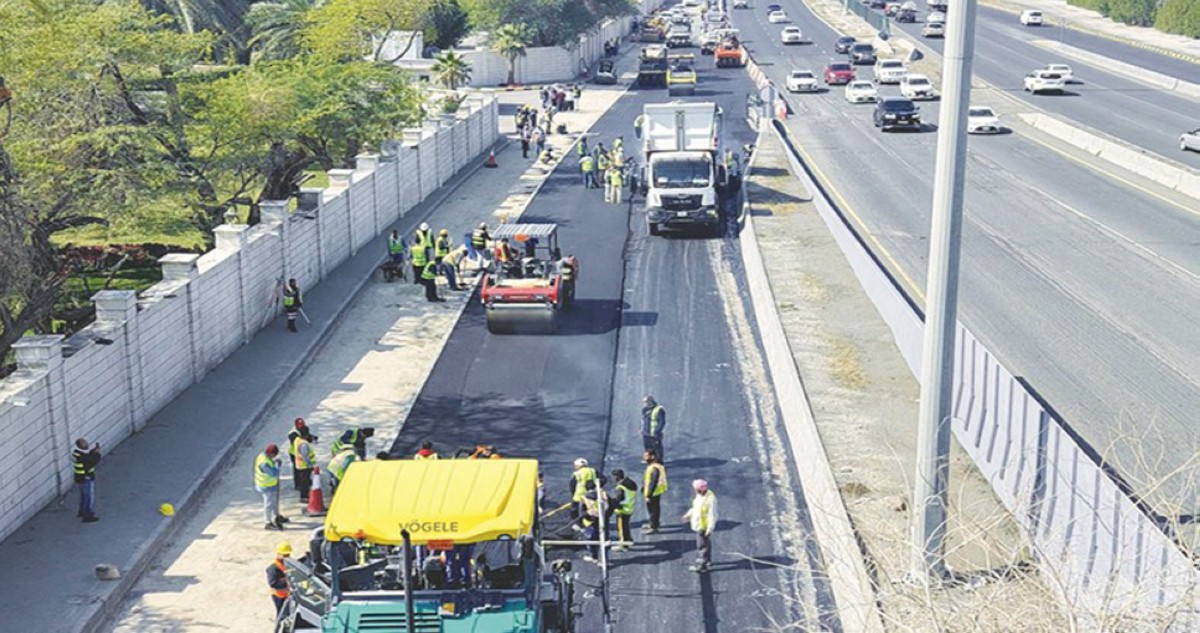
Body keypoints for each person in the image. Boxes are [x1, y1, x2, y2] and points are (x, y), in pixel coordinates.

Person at [683, 479, 718, 573]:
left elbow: (712, 515)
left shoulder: (710, 500)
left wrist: (710, 528)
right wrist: (689, 514)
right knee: (706, 543)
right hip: (700, 524)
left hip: (703, 526)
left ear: (700, 489)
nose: (694, 490)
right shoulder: (701, 496)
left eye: (696, 488)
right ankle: (708, 561)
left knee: (701, 546)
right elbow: (696, 508)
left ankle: (702, 565)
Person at [255, 444, 289, 530]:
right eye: (275, 455)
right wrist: (277, 465)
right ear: (271, 454)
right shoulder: (264, 464)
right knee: (269, 504)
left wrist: (274, 462)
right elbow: (274, 473)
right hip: (266, 486)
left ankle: (277, 516)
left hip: (271, 485)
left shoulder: (262, 456)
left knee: (274, 501)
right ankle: (268, 522)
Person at [579, 478, 609, 563]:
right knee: (603, 540)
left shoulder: (584, 498)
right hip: (602, 521)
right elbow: (608, 508)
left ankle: (594, 557)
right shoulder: (603, 496)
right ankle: (603, 559)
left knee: (591, 541)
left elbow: (581, 513)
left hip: (589, 523)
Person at [73, 438, 101, 523]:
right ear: (80, 446)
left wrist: (93, 452)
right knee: (89, 497)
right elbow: (92, 461)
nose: (87, 443)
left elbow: (88, 457)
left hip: (80, 478)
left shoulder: (77, 453)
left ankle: (82, 511)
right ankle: (87, 515)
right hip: (86, 478)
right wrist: (97, 454)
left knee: (84, 496)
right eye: (84, 443)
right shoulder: (82, 457)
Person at [611, 469, 638, 551]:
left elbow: (619, 499)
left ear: (617, 476)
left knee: (622, 528)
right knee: (626, 526)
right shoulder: (630, 484)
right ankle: (628, 539)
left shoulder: (620, 487)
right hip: (629, 508)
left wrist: (613, 504)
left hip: (622, 510)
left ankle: (623, 545)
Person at [642, 450, 667, 534]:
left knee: (653, 510)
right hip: (655, 491)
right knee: (654, 509)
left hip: (653, 492)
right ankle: (653, 522)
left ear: (652, 456)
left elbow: (653, 481)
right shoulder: (656, 466)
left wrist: (648, 494)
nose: (644, 458)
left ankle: (654, 526)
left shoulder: (654, 468)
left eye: (646, 456)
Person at [291, 424, 317, 504]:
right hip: (304, 466)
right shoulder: (303, 444)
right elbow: (305, 456)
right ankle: (304, 497)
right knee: (304, 483)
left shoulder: (297, 440)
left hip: (299, 464)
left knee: (303, 481)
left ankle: (304, 495)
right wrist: (310, 465)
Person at [268, 542, 293, 615]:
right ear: (278, 554)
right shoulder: (273, 569)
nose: (287, 556)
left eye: (288, 554)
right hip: (279, 597)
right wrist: (287, 584)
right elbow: (273, 583)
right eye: (284, 555)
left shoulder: (288, 564)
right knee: (281, 614)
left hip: (288, 595)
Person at [641, 396, 666, 461]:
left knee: (656, 448)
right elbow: (644, 420)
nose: (645, 403)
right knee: (648, 447)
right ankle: (649, 460)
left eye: (646, 402)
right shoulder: (644, 410)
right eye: (644, 402)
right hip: (646, 433)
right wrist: (642, 429)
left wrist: (657, 430)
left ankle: (658, 460)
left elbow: (661, 421)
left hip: (655, 433)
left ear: (650, 401)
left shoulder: (659, 410)